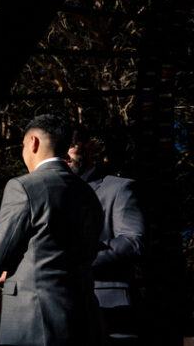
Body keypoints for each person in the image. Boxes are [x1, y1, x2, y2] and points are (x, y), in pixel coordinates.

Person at [0, 113, 105, 345]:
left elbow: (1, 247)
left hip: (35, 314)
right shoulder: (87, 192)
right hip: (83, 311)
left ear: (33, 142)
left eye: (22, 145)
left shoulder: (23, 186)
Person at [69, 128, 145, 342]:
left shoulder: (119, 188)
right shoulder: (47, 194)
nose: (64, 153)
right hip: (59, 313)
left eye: (71, 144)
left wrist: (78, 258)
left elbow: (132, 241)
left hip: (110, 307)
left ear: (88, 146)